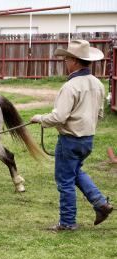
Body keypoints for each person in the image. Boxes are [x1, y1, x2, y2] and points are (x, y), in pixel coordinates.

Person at [31, 40, 113, 231]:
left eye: (67, 58)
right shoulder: (97, 84)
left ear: (75, 61)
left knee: (65, 180)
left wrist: (40, 118)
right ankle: (100, 203)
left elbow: (59, 117)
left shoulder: (70, 86)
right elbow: (99, 114)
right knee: (75, 172)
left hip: (70, 140)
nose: (65, 62)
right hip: (87, 139)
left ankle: (67, 222)